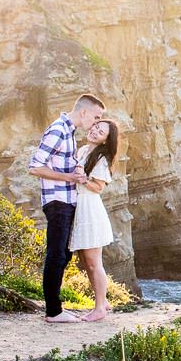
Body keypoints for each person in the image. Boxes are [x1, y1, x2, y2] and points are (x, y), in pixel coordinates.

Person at [28, 94, 105, 323]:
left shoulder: (69, 132)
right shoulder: (58, 130)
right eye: (96, 116)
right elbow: (35, 167)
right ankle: (53, 311)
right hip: (58, 201)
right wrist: (69, 177)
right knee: (55, 254)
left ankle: (56, 307)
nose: (96, 121)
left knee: (63, 255)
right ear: (83, 112)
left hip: (67, 201)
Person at [70, 118, 120, 322]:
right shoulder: (83, 151)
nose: (94, 132)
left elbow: (98, 187)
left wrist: (83, 179)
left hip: (90, 209)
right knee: (85, 260)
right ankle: (103, 301)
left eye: (100, 133)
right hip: (80, 207)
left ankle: (100, 307)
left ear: (105, 141)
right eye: (96, 128)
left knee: (93, 261)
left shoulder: (101, 158)